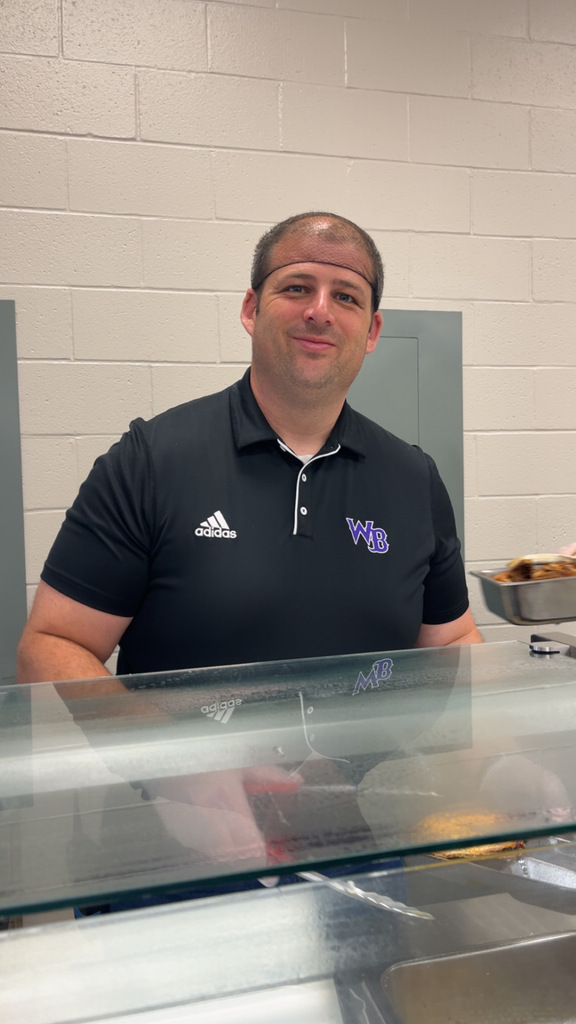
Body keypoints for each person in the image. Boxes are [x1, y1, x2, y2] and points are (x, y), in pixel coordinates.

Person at [17, 210, 482, 688]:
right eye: (297, 287)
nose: (320, 311)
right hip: (187, 763)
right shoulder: (151, 462)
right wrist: (193, 763)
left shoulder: (413, 478)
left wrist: (500, 755)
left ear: (372, 332)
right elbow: (52, 644)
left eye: (346, 296)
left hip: (365, 766)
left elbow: (450, 643)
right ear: (250, 309)